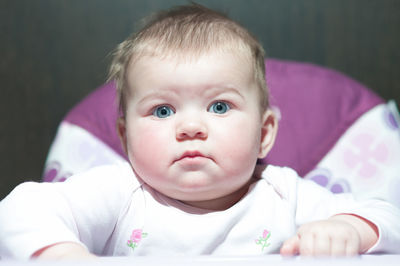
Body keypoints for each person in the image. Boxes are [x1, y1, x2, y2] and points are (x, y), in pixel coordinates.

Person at [1, 4, 399, 260]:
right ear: (124, 138)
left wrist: (348, 230)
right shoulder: (121, 195)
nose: (190, 127)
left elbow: (390, 219)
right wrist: (63, 254)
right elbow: (18, 212)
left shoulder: (284, 195)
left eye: (220, 107)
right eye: (162, 110)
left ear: (265, 134)